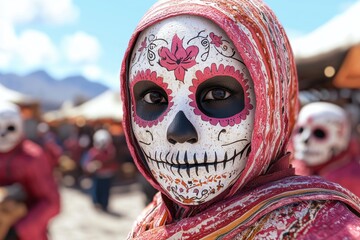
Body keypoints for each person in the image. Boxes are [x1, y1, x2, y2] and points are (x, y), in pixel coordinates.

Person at [120, 0, 360, 239]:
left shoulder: (335, 232)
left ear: (273, 102)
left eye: (218, 94)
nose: (178, 130)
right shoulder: (151, 221)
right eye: (154, 97)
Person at [0, 101, 60, 240]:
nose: (3, 133)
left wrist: (18, 230)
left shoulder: (33, 157)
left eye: (9, 127)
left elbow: (51, 202)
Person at [292, 101, 360, 197]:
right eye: (300, 130)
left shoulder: (354, 179)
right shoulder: (292, 170)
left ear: (340, 138)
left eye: (319, 133)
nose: (305, 139)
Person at [82, 129, 117, 212]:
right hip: (97, 174)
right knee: (96, 189)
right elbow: (87, 162)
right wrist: (91, 166)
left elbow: (111, 160)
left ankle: (104, 205)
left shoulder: (110, 150)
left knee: (105, 191)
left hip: (107, 174)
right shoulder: (93, 151)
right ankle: (97, 203)